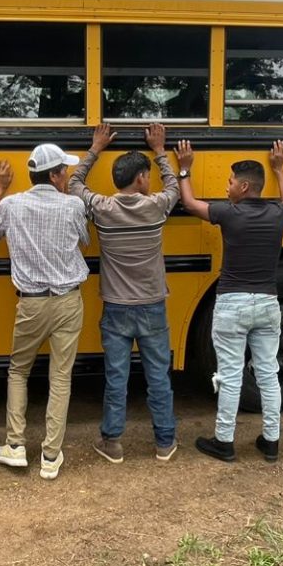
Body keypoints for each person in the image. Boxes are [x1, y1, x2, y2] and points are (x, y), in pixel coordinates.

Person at [176, 139, 283, 462]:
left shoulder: (229, 213)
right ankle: (271, 441)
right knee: (268, 374)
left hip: (232, 303)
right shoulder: (277, 214)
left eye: (230, 182)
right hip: (267, 303)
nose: (226, 187)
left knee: (230, 375)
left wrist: (185, 168)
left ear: (243, 187)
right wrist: (279, 169)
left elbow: (189, 203)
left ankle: (224, 441)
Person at [68, 123, 180, 462]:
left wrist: (95, 148)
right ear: (142, 178)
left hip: (116, 307)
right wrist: (160, 150)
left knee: (117, 377)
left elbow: (74, 184)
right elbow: (174, 186)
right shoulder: (156, 206)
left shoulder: (102, 208)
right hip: (152, 305)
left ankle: (113, 442)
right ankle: (164, 443)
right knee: (158, 376)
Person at [0, 143, 89, 480]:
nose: (67, 176)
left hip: (30, 302)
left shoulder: (11, 204)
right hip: (67, 301)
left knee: (19, 370)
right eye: (65, 171)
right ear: (56, 175)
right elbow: (85, 240)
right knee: (60, 376)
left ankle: (15, 445)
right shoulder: (73, 205)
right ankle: (50, 455)